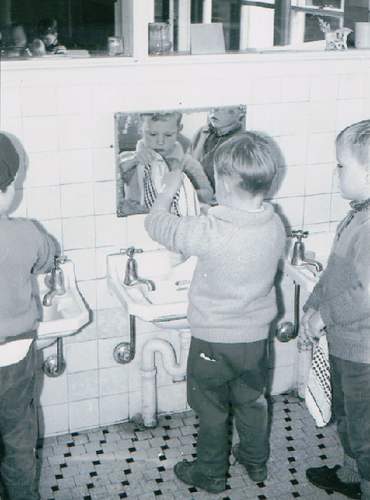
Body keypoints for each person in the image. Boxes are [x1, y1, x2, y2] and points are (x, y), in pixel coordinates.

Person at [144, 132, 286, 493]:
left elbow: (156, 224)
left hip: (213, 342)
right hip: (255, 341)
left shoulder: (210, 231)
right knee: (252, 402)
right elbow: (236, 229)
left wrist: (170, 187)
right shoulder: (273, 223)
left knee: (211, 411)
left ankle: (209, 474)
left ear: (223, 182)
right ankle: (254, 463)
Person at [300, 120, 370, 500]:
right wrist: (314, 302)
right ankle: (350, 476)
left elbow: (366, 294)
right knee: (349, 419)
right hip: (349, 346)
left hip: (365, 354)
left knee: (365, 432)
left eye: (341, 165)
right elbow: (337, 271)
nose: (335, 172)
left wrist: (323, 316)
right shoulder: (358, 214)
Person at [0, 133, 56, 500]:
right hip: (16, 353)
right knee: (18, 435)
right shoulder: (25, 232)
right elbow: (47, 260)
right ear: (8, 189)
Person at [119, 111, 214, 213]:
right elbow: (110, 183)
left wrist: (179, 193)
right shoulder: (128, 159)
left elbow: (208, 194)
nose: (160, 141)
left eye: (168, 135)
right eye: (152, 134)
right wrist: (134, 161)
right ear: (140, 128)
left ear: (178, 131)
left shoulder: (187, 162)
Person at [190, 105, 246, 192]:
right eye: (212, 105)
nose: (214, 110)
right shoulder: (201, 133)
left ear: (240, 112)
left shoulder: (242, 142)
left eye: (222, 107)